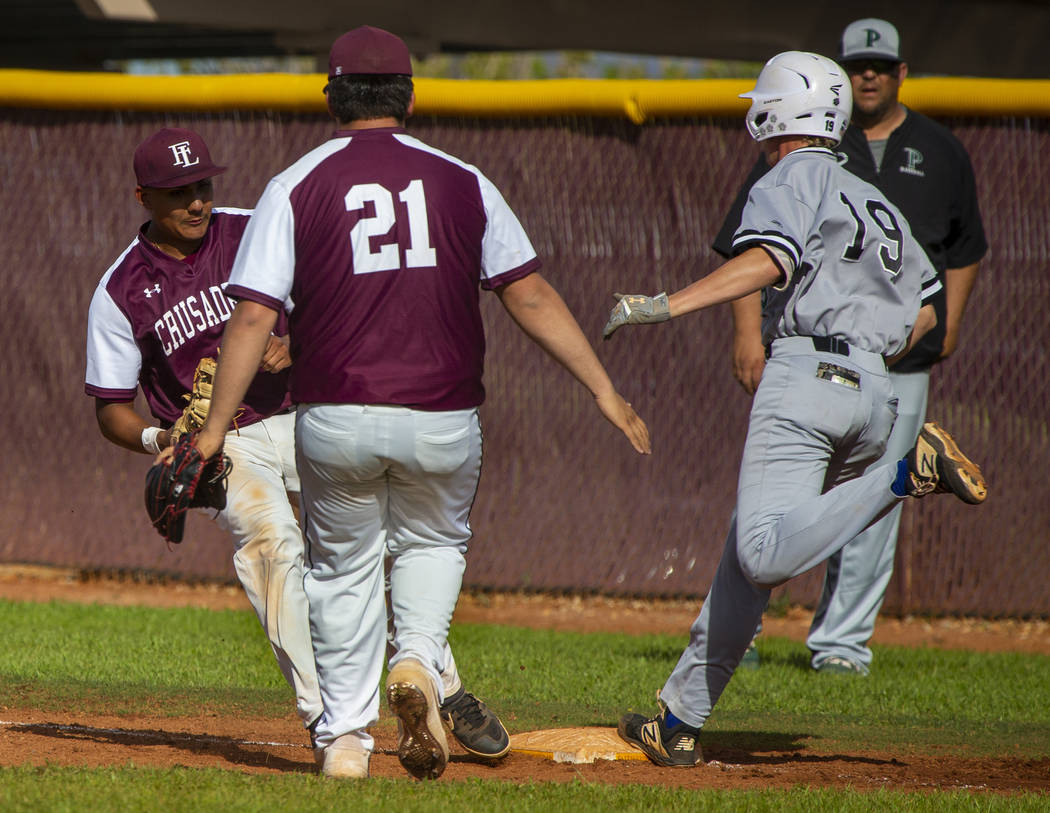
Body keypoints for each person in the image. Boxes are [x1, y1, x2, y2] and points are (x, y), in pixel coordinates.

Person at [192, 25, 651, 782]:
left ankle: (344, 738)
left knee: (341, 569)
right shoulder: (463, 178)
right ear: (409, 94)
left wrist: (213, 431)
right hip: (443, 416)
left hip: (335, 411)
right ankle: (415, 661)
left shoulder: (296, 183)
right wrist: (604, 388)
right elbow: (526, 292)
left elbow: (251, 317)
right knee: (433, 545)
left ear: (333, 95)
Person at [85, 126, 513, 770]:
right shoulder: (121, 289)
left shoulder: (252, 225)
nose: (197, 202)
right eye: (178, 193)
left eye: (202, 185)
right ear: (143, 197)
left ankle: (435, 683)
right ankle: (333, 724)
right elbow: (110, 408)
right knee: (272, 547)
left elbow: (344, 296)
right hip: (222, 445)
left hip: (301, 415)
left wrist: (301, 342)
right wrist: (160, 436)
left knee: (375, 542)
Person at [603, 50, 986, 767]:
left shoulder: (789, 174)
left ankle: (909, 473)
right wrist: (869, 352)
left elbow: (768, 261)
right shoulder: (873, 197)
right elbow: (927, 315)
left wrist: (665, 304)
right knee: (748, 555)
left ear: (777, 112)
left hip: (808, 373)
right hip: (876, 389)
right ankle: (678, 719)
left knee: (761, 549)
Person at [712, 18, 988, 675]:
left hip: (900, 357)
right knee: (774, 499)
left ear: (900, 73)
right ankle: (740, 632)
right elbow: (750, 249)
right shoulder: (802, 149)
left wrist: (945, 319)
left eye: (880, 64)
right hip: (809, 349)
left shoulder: (940, 150)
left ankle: (840, 645)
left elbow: (966, 246)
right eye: (857, 64)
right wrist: (748, 331)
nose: (868, 74)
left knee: (865, 507)